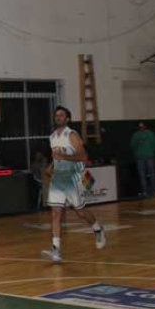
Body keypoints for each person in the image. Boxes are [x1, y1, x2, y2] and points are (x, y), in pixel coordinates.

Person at [41, 106, 105, 263]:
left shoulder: (72, 135)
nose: (58, 117)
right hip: (58, 178)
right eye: (56, 115)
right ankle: (55, 250)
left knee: (80, 212)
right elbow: (56, 158)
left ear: (67, 119)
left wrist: (63, 156)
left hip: (72, 177)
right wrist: (50, 167)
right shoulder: (52, 137)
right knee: (56, 213)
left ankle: (98, 229)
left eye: (61, 115)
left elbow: (83, 156)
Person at [130, 121, 155, 197]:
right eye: (140, 127)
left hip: (150, 157)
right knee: (142, 175)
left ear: (145, 126)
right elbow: (132, 146)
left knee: (152, 174)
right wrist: (137, 143)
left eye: (142, 126)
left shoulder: (151, 133)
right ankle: (145, 191)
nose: (141, 128)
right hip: (140, 158)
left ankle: (154, 190)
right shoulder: (135, 135)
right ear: (138, 127)